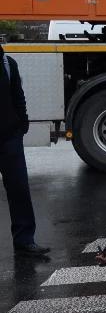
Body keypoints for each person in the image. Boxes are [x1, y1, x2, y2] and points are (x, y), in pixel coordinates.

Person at [0, 44, 50, 256]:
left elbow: (17, 96)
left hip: (9, 137)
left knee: (19, 189)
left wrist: (22, 124)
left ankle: (24, 240)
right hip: (9, 135)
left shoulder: (7, 63)